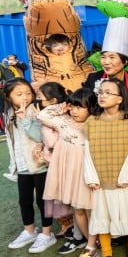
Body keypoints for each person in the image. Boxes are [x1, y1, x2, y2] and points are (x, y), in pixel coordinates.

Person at [83, 77, 128, 257]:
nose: (103, 96)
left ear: (120, 99)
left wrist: (126, 176)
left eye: (108, 93)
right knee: (101, 216)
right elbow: (87, 151)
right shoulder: (91, 122)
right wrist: (91, 177)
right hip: (100, 179)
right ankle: (107, 251)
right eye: (100, 92)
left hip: (122, 178)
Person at [38, 88, 97, 255]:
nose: (75, 111)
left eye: (80, 107)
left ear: (91, 107)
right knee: (77, 209)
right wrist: (62, 107)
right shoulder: (62, 121)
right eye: (73, 107)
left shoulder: (94, 123)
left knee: (91, 210)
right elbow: (42, 115)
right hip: (69, 174)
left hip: (88, 173)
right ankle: (90, 242)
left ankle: (92, 244)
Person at [3, 78, 57, 253]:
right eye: (19, 94)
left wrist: (25, 119)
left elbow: (40, 137)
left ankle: (47, 234)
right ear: (8, 97)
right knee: (24, 200)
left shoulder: (36, 111)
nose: (25, 97)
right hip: (22, 165)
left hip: (40, 164)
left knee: (43, 201)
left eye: (28, 93)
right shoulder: (8, 113)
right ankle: (30, 231)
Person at [83, 17, 128, 97]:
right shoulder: (93, 79)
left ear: (125, 61)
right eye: (103, 57)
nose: (106, 62)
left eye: (112, 57)